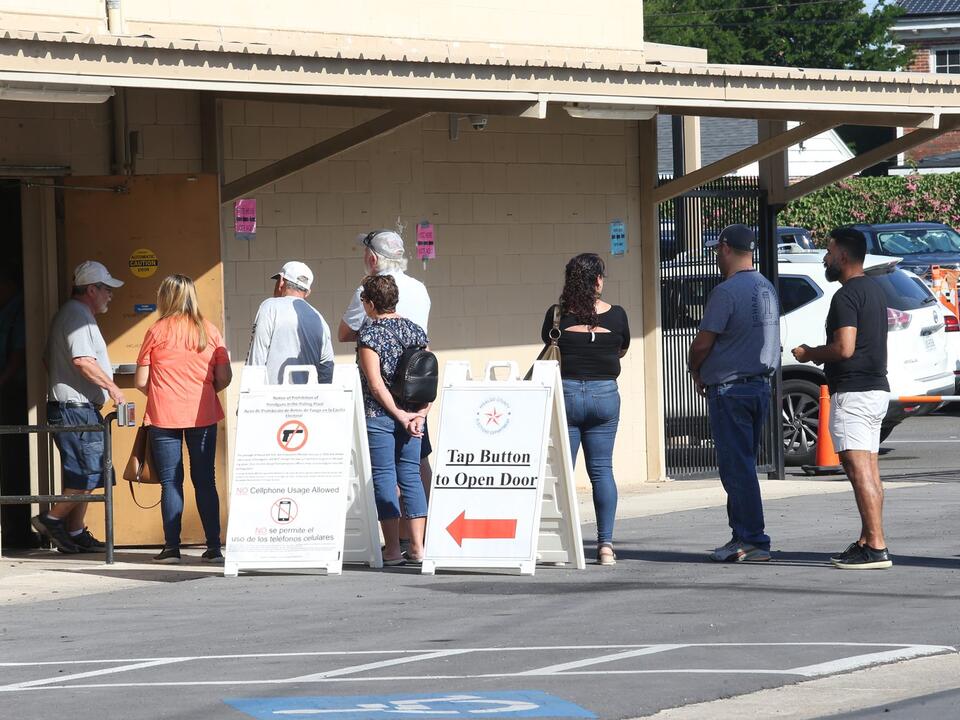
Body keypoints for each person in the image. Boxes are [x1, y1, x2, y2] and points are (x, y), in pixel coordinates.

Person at [792, 227, 892, 570]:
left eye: (830, 252)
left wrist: (810, 354)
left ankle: (876, 546)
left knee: (858, 467)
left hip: (855, 392)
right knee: (869, 469)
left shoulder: (846, 296)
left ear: (844, 257)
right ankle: (868, 539)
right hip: (876, 390)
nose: (825, 258)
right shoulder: (875, 291)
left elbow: (844, 348)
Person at [688, 225, 780, 563]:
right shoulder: (766, 287)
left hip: (730, 390)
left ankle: (753, 539)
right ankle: (742, 535)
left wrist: (695, 368)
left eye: (716, 249)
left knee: (737, 468)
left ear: (726, 248)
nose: (715, 255)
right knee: (743, 465)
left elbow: (703, 342)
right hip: (759, 387)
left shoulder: (726, 292)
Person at [338, 230, 432, 546]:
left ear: (373, 258)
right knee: (416, 467)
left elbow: (344, 333)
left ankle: (393, 542)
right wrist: (422, 409)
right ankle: (417, 539)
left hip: (381, 402)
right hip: (415, 396)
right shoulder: (420, 289)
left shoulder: (366, 291)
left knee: (385, 471)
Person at [135, 274, 232, 564]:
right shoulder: (209, 330)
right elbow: (225, 376)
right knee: (205, 480)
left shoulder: (155, 331)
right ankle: (214, 547)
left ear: (165, 297)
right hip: (203, 413)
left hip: (164, 415)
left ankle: (171, 548)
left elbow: (142, 381)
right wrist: (201, 392)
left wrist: (165, 392)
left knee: (170, 482)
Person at [32, 261, 125, 553]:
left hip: (77, 406)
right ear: (91, 289)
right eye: (106, 289)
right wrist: (112, 388)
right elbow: (83, 360)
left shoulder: (77, 315)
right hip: (74, 408)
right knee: (86, 472)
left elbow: (49, 360)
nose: (110, 295)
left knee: (93, 472)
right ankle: (51, 519)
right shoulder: (76, 316)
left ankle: (75, 530)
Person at [544, 253, 630, 566]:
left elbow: (549, 348)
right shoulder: (618, 315)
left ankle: (557, 542)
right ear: (597, 280)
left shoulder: (556, 316)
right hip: (605, 395)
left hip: (565, 394)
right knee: (602, 470)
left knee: (561, 472)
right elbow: (621, 348)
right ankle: (605, 545)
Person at [356, 274, 429, 566]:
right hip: (414, 414)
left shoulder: (370, 335)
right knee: (411, 476)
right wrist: (419, 415)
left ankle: (392, 550)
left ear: (371, 303)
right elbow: (428, 377)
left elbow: (375, 385)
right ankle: (418, 548)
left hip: (380, 416)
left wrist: (397, 415)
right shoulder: (416, 331)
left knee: (385, 477)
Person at [247, 261, 334, 384]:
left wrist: (249, 395)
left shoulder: (269, 307)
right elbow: (327, 371)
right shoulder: (320, 319)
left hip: (273, 401)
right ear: (308, 292)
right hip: (310, 401)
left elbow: (256, 361)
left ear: (281, 281)